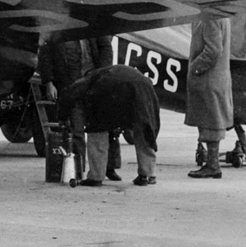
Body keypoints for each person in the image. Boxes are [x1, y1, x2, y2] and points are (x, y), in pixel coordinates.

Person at [58, 65, 160, 187]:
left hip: (108, 89)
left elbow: (68, 95)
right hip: (143, 88)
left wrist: (62, 117)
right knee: (143, 130)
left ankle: (96, 177)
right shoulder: (109, 72)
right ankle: (147, 174)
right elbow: (152, 124)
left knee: (97, 130)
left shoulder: (88, 79)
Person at [38, 34, 115, 180]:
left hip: (93, 85)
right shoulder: (57, 30)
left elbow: (106, 47)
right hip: (70, 87)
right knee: (76, 131)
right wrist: (49, 82)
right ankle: (78, 172)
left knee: (102, 129)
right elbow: (45, 53)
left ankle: (106, 168)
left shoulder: (93, 24)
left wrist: (102, 74)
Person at [184, 13, 233, 179]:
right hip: (215, 78)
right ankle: (212, 164)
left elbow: (213, 50)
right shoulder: (222, 15)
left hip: (208, 78)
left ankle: (213, 165)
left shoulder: (210, 17)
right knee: (211, 120)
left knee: (211, 121)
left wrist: (194, 68)